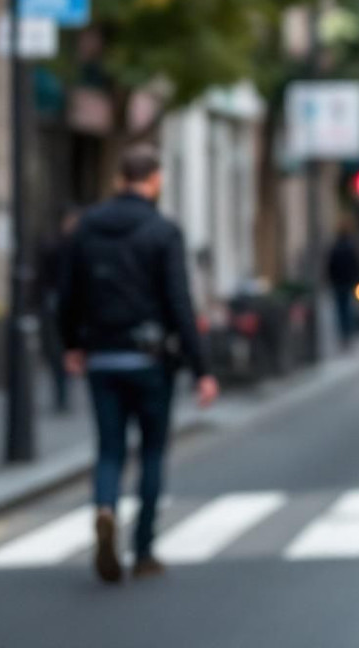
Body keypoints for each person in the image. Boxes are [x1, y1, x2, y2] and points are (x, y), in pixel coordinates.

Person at [58, 145, 219, 584]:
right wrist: (202, 368)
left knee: (109, 450)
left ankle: (106, 507)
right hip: (150, 360)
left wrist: (72, 344)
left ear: (117, 180)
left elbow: (67, 293)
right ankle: (144, 548)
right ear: (155, 180)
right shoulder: (162, 230)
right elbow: (179, 302)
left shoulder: (86, 227)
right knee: (151, 452)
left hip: (102, 356)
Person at [36, 206, 80, 413]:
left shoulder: (74, 244)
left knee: (63, 351)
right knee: (58, 352)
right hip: (56, 304)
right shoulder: (58, 245)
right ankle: (61, 393)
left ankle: (64, 393)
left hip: (65, 304)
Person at [326, 218, 359, 352]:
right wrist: (358, 279)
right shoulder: (351, 245)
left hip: (339, 282)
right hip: (348, 282)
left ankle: (344, 335)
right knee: (348, 309)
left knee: (341, 310)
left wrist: (331, 279)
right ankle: (348, 334)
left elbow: (330, 265)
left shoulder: (336, 245)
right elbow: (357, 264)